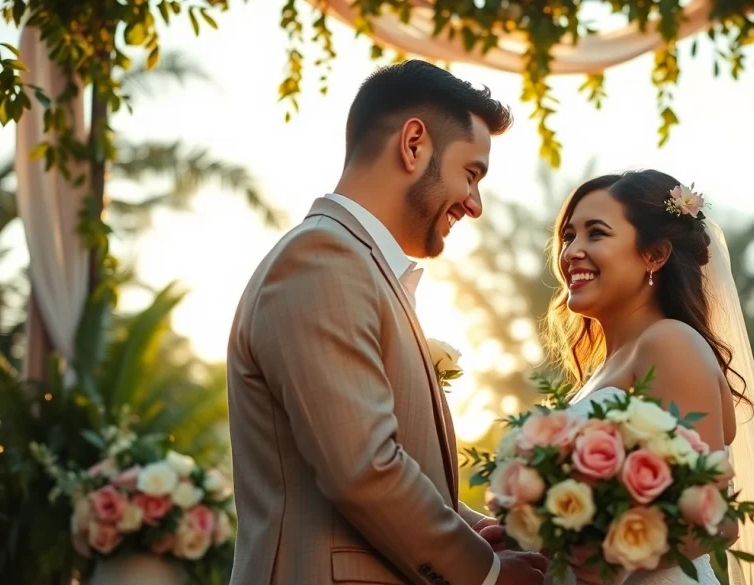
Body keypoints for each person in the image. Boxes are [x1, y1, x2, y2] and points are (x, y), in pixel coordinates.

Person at [226, 59, 548, 585]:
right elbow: (363, 469)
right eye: (471, 173)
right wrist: (485, 575)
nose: (475, 204)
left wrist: (474, 529)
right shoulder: (322, 259)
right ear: (414, 143)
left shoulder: (353, 265)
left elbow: (388, 463)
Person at [546, 170, 754, 585]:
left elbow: (714, 521)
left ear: (654, 255)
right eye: (568, 236)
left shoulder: (670, 344)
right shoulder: (609, 366)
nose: (572, 252)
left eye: (595, 234)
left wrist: (589, 561)